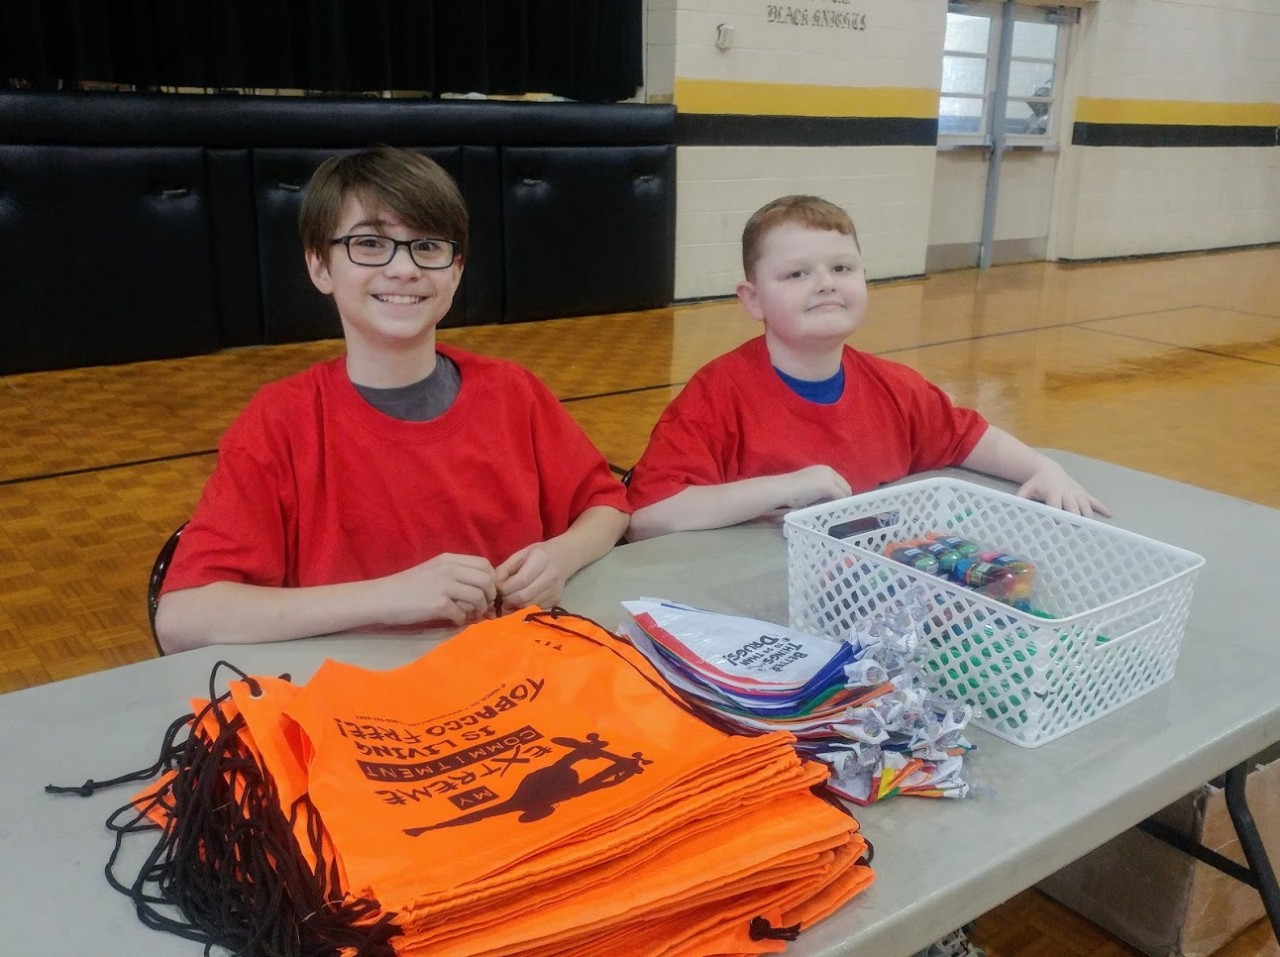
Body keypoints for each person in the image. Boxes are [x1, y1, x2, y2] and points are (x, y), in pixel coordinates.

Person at [155, 146, 629, 653]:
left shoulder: (514, 393)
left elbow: (608, 503)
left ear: (456, 271)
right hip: (356, 703)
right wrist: (391, 597)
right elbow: (184, 616)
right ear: (319, 266)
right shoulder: (279, 423)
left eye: (427, 247)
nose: (403, 269)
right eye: (370, 244)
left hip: (514, 683)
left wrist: (560, 556)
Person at [625, 194, 1108, 541]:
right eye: (796, 274)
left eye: (842, 269)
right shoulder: (718, 395)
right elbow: (647, 515)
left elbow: (966, 437)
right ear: (752, 300)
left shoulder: (896, 388)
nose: (825, 285)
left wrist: (1044, 467)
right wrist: (783, 490)